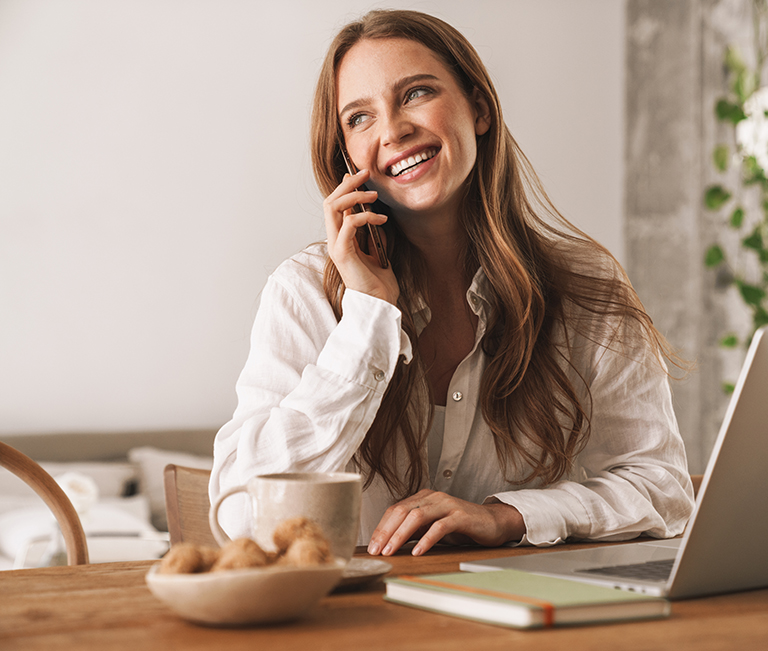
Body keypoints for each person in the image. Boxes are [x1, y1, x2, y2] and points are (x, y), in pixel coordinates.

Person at [209, 8, 694, 558]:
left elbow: (663, 489)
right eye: (359, 118)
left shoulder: (586, 286)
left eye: (415, 94)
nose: (393, 130)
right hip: (357, 629)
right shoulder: (304, 293)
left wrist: (506, 517)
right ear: (346, 155)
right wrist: (368, 317)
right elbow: (242, 512)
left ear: (479, 109)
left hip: (527, 620)